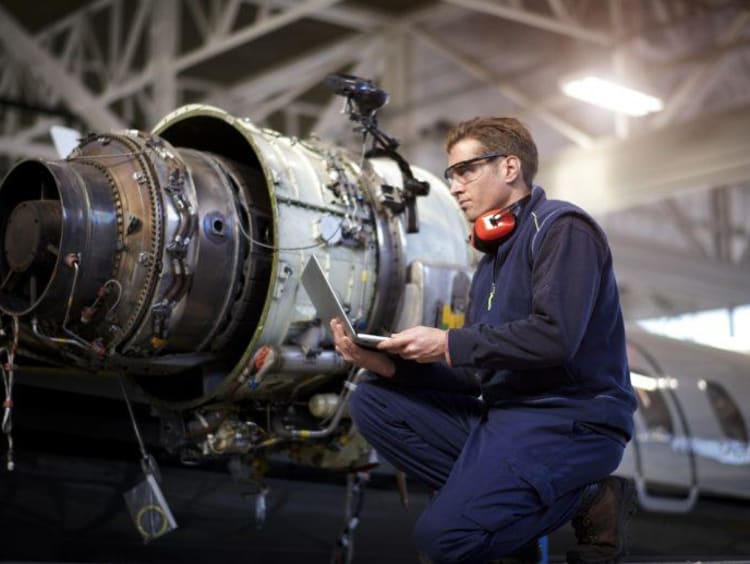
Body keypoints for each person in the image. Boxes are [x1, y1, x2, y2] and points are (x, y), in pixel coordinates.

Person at [330, 116, 638, 564]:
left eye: (465, 171)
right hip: (506, 420)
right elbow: (476, 373)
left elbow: (555, 338)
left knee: (443, 539)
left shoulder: (562, 229)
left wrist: (446, 343)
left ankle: (588, 496)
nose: (454, 186)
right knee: (371, 401)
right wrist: (385, 363)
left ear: (510, 168)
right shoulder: (490, 265)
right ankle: (511, 522)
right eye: (451, 174)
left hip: (569, 423)